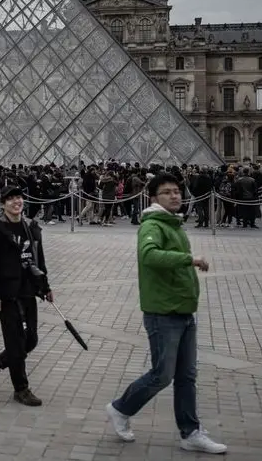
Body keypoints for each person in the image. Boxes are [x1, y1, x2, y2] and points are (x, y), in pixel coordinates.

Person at [104, 172, 226, 454]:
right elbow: (149, 255)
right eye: (167, 192)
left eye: (177, 191)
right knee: (162, 375)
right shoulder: (153, 225)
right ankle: (120, 409)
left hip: (182, 309)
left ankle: (190, 432)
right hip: (163, 312)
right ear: (153, 198)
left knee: (187, 376)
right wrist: (190, 259)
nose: (175, 195)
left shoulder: (172, 223)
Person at [0, 186, 52, 407]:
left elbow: (38, 258)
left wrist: (45, 286)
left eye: (19, 198)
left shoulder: (31, 227)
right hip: (7, 292)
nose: (16, 202)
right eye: (10, 199)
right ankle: (21, 389)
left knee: (30, 339)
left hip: (29, 290)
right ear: (3, 204)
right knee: (15, 341)